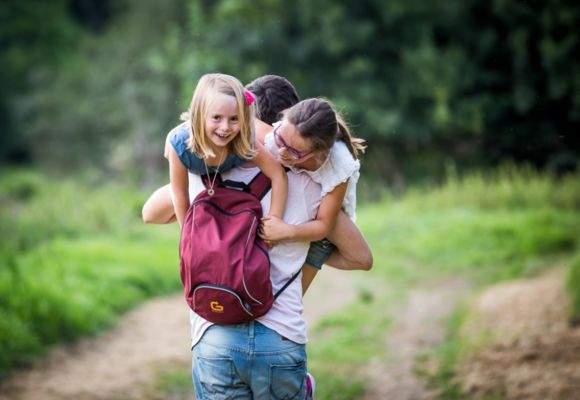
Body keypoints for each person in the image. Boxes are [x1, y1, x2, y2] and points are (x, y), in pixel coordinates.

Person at [259, 98, 366, 292]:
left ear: (319, 153)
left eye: (294, 151)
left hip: (326, 216)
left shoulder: (337, 165)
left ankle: (315, 254)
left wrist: (287, 231)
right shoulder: (282, 134)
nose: (282, 151)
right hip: (300, 199)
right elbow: (242, 116)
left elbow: (325, 224)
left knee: (363, 259)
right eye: (281, 139)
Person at [166, 73, 287, 226]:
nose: (225, 128)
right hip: (194, 177)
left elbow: (278, 174)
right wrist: (188, 235)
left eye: (234, 119)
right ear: (199, 116)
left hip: (229, 176)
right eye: (217, 117)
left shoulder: (244, 138)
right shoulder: (180, 145)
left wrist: (274, 219)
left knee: (276, 140)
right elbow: (180, 196)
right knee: (151, 213)